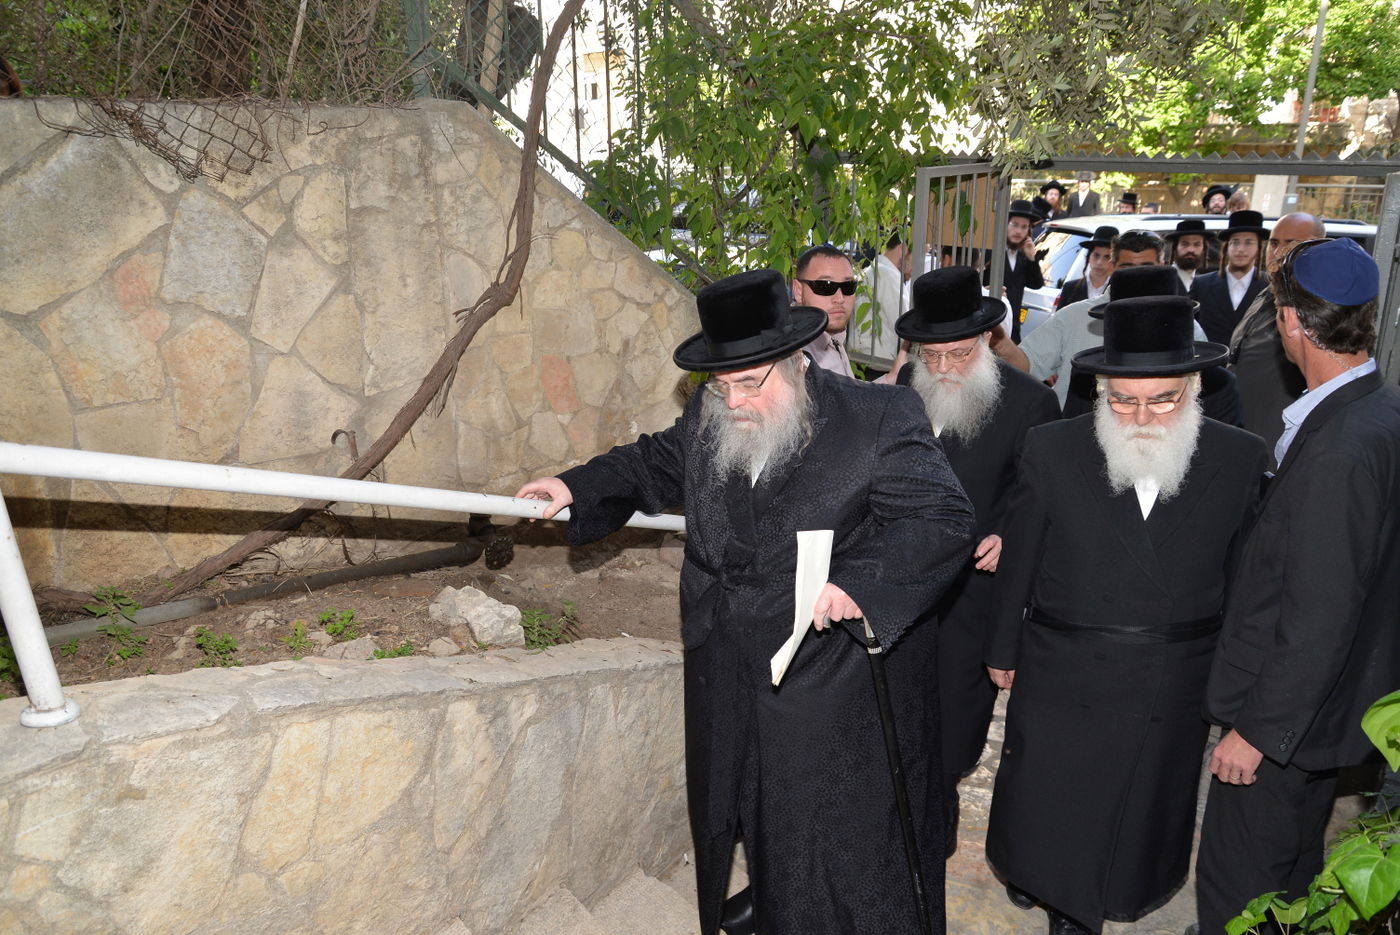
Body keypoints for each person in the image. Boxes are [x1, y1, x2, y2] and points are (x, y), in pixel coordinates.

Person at [516, 268, 975, 935]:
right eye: (720, 383)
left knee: (828, 843)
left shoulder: (878, 417)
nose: (732, 401)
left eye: (748, 382)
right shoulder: (712, 412)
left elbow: (942, 517)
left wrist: (862, 584)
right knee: (748, 818)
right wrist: (572, 485)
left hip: (828, 681)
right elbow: (653, 464)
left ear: (793, 360)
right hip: (727, 670)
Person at [985, 294, 1268, 935]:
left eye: (1162, 400)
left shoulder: (1239, 458)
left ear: (1193, 388)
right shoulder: (1052, 448)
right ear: (1102, 390)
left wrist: (1236, 688)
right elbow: (1020, 557)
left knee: (1146, 800)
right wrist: (1002, 649)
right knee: (1051, 792)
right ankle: (1055, 892)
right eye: (1123, 400)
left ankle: (1123, 888)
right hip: (1065, 663)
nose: (1141, 415)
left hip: (1175, 671)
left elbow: (1245, 585)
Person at [1194, 238, 1400, 935]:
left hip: (1284, 726)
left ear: (1289, 322)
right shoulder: (1376, 409)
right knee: (1289, 878)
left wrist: (1255, 731)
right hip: (1327, 717)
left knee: (1239, 890)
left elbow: (1319, 612)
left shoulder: (1341, 448)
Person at [891, 266, 1060, 856]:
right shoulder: (896, 393)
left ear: (987, 341)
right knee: (886, 722)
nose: (942, 369)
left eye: (957, 355)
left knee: (953, 730)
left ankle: (931, 827)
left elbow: (1043, 496)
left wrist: (1012, 534)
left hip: (971, 599)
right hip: (893, 592)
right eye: (929, 356)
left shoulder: (1031, 405)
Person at [1225, 213, 1324, 455]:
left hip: (1279, 446)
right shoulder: (1267, 292)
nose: (1278, 252)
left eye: (1291, 244)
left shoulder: (1318, 308)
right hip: (1239, 436)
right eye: (1273, 243)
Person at [1190, 210, 1268, 345]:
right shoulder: (1201, 284)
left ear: (1259, 247)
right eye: (1235, 242)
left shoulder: (1270, 286)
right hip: (1210, 363)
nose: (1241, 249)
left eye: (1249, 242)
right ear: (1226, 247)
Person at [792, 244, 859, 377]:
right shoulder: (792, 356)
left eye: (848, 286)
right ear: (798, 291)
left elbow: (849, 394)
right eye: (826, 286)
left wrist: (891, 376)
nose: (839, 298)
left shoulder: (832, 337)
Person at [851, 231, 911, 377]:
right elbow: (903, 323)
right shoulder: (888, 275)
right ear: (902, 249)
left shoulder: (870, 270)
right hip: (879, 368)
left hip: (861, 361)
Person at [984, 199, 1044, 344]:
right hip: (989, 327)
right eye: (1014, 225)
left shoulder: (1023, 256)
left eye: (1024, 227)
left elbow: (1036, 284)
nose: (1018, 231)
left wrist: (1032, 259)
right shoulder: (989, 253)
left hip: (1013, 329)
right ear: (1005, 224)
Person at [1056, 225, 1117, 307]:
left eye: (1107, 257)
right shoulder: (1070, 288)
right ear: (1088, 257)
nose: (1099, 262)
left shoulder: (1118, 291)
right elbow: (1059, 318)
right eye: (1096, 255)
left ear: (1113, 261)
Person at [1165, 219, 1214, 292]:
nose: (1191, 250)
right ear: (1175, 247)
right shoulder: (1164, 280)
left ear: (1204, 249)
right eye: (1185, 244)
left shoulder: (1208, 284)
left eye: (1197, 244)